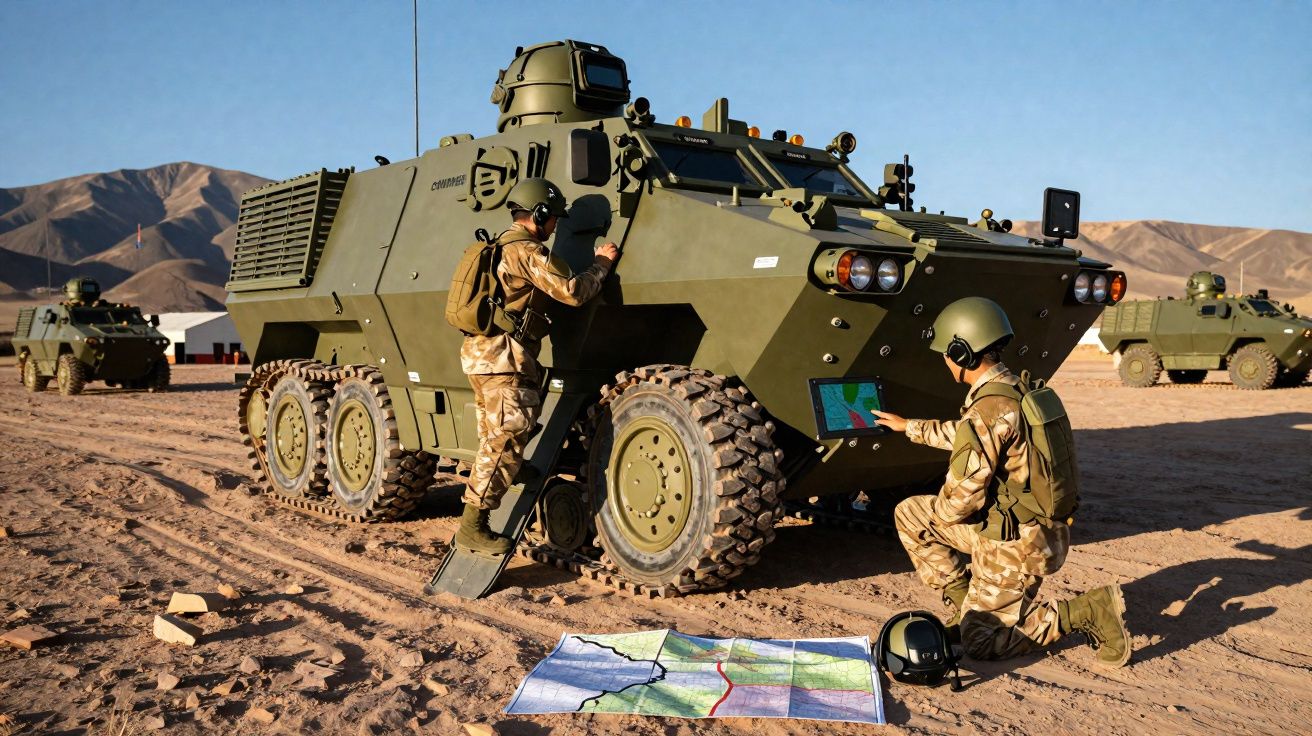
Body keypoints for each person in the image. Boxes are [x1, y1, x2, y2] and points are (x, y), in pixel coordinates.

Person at [871, 297, 1131, 667]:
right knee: (911, 514)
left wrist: (945, 514)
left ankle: (1087, 611)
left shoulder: (988, 409)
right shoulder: (1013, 390)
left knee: (982, 644)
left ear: (962, 354)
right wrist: (908, 426)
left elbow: (961, 498)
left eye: (946, 352)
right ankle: (970, 607)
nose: (944, 360)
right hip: (1034, 530)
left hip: (1019, 545)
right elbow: (969, 435)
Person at [457, 177, 620, 554]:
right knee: (505, 439)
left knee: (493, 436)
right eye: (553, 219)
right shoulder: (527, 252)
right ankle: (472, 527)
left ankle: (512, 471)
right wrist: (600, 264)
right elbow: (573, 293)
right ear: (540, 214)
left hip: (481, 354)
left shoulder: (498, 247)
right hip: (505, 357)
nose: (555, 227)